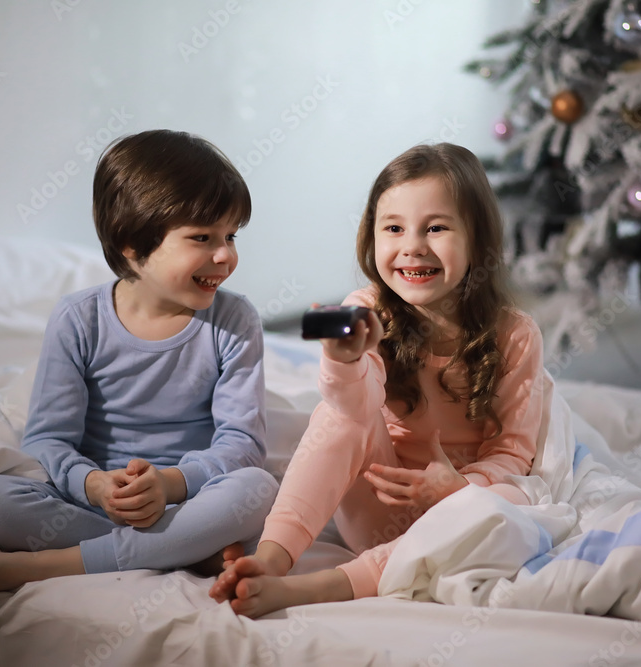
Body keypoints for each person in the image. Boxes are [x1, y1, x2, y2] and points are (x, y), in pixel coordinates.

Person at [209, 142, 551, 618]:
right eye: (393, 228)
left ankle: (321, 588)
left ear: (478, 240)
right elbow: (353, 408)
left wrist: (459, 486)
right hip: (376, 503)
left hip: (453, 515)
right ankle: (270, 560)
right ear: (372, 240)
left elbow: (514, 453)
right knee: (340, 414)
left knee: (512, 497)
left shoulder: (514, 335)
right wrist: (344, 359)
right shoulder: (370, 310)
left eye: (436, 228)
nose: (412, 245)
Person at [0, 130, 278, 601]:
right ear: (131, 245)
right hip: (97, 506)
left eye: (231, 235)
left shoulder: (234, 320)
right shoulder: (78, 319)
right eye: (202, 238)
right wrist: (96, 486)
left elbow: (241, 444)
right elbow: (48, 440)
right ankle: (178, 548)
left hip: (188, 499)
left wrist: (171, 483)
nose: (225, 255)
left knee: (258, 489)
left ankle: (43, 567)